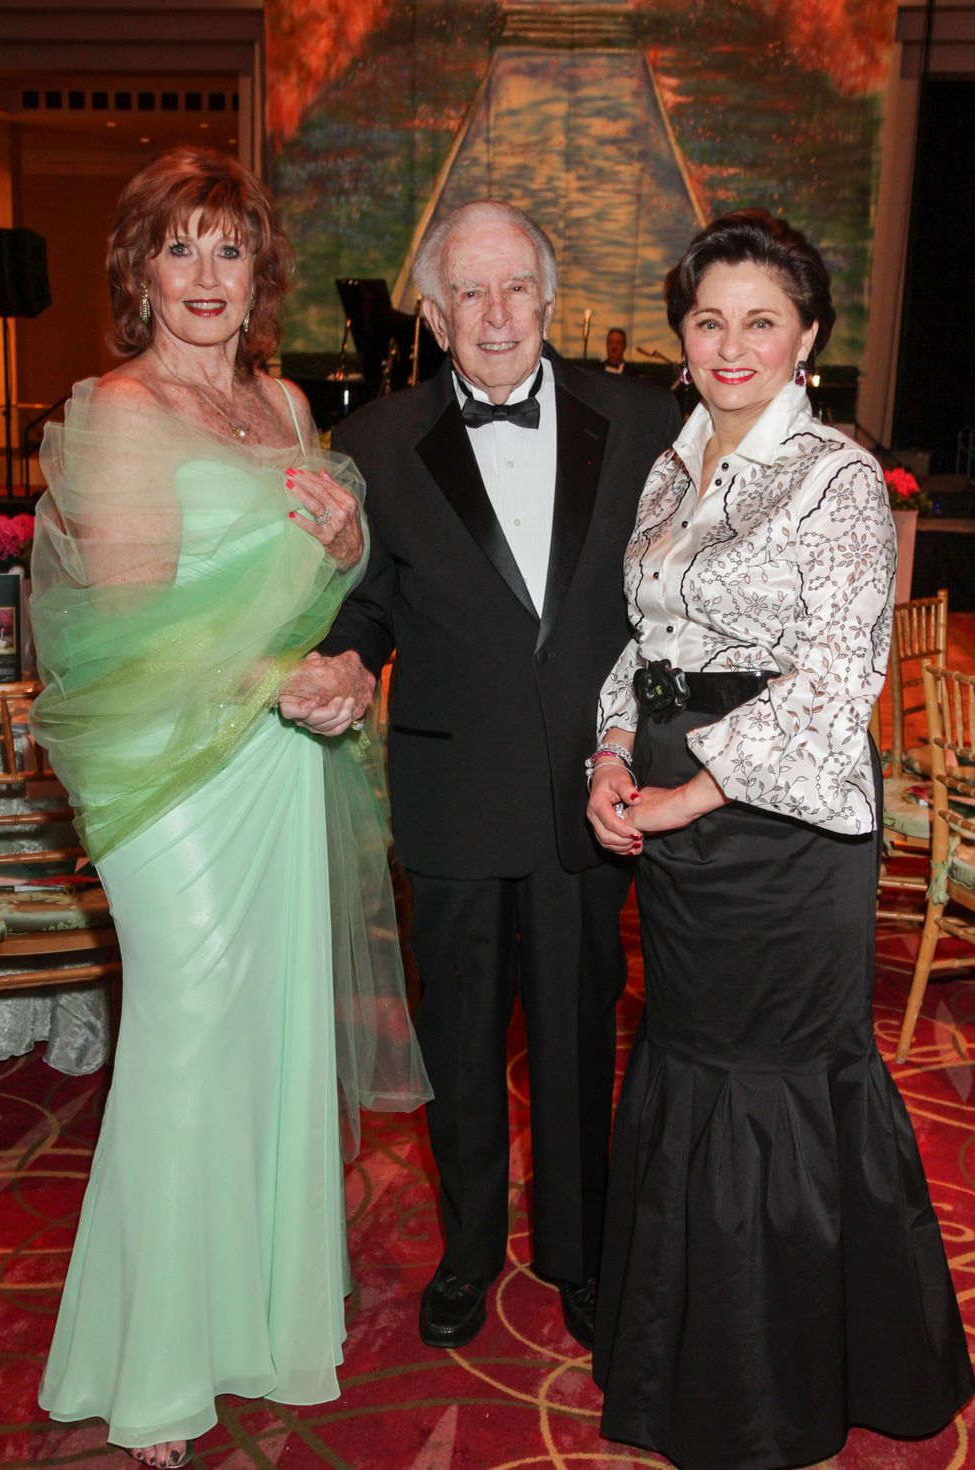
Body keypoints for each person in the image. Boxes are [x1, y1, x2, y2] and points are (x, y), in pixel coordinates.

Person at [30, 148, 428, 1468]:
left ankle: (259, 1320)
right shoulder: (114, 409)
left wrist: (337, 574)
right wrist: (281, 674)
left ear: (261, 273)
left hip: (273, 756)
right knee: (189, 1033)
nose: (206, 275)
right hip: (169, 769)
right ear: (138, 267)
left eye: (231, 249)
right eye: (179, 246)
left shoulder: (283, 397)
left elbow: (298, 584)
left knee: (270, 1034)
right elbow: (132, 631)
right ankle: (154, 1367)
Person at [587, 209, 973, 1469]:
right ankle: (688, 1358)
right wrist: (607, 753)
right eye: (708, 320)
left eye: (761, 319)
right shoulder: (668, 465)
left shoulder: (837, 478)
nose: (731, 343)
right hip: (671, 812)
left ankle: (783, 1384)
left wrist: (688, 794)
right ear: (681, 337)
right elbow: (645, 648)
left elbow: (832, 677)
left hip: (780, 829)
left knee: (774, 1081)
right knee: (692, 1062)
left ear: (805, 336)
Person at [287, 200, 681, 1351]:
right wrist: (347, 668)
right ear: (433, 309)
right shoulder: (372, 443)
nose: (496, 314)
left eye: (515, 288)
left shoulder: (647, 420)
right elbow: (361, 608)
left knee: (577, 1040)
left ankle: (576, 1252)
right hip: (451, 801)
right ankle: (468, 1253)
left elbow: (672, 605)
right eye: (469, 292)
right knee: (458, 1049)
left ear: (549, 299)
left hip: (587, 797)